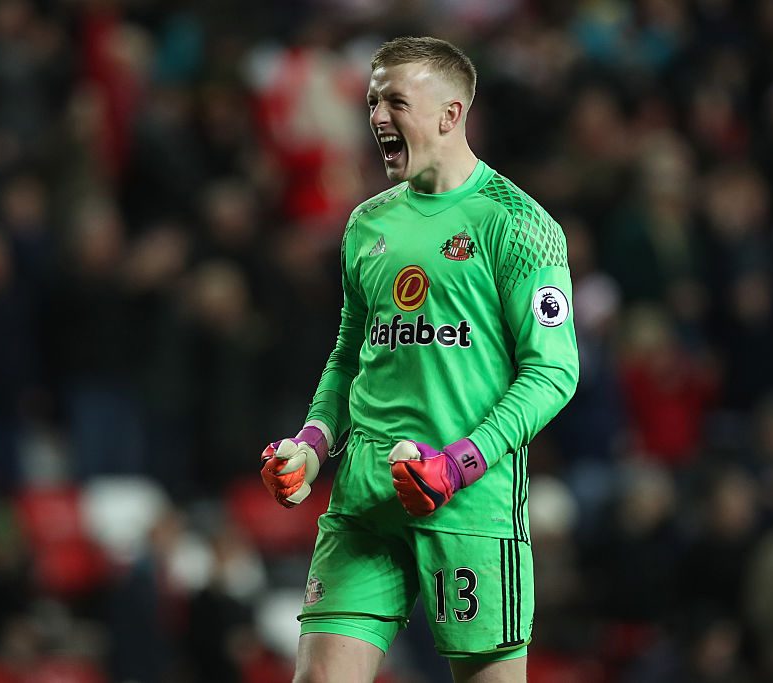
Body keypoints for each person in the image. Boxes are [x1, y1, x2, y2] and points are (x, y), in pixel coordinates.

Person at [259, 36, 579, 683]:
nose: (376, 116)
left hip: (468, 506)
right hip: (366, 501)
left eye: (395, 102)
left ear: (450, 114)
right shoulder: (366, 225)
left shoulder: (518, 223)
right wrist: (313, 443)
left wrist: (459, 463)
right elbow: (349, 356)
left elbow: (553, 372)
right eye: (372, 101)